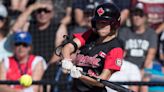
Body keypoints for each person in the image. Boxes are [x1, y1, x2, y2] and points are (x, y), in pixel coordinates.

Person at [60, 3, 124, 92]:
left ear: (114, 24)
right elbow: (68, 47)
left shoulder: (115, 48)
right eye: (98, 22)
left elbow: (102, 81)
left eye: (104, 23)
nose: (100, 26)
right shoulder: (90, 35)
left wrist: (80, 75)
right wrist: (66, 60)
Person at [118, 6, 158, 92]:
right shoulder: (124, 31)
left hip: (145, 67)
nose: (137, 17)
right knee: (133, 83)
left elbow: (150, 55)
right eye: (135, 14)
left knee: (144, 84)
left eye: (140, 15)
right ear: (131, 17)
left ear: (145, 18)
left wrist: (142, 70)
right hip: (127, 66)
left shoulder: (151, 33)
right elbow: (121, 53)